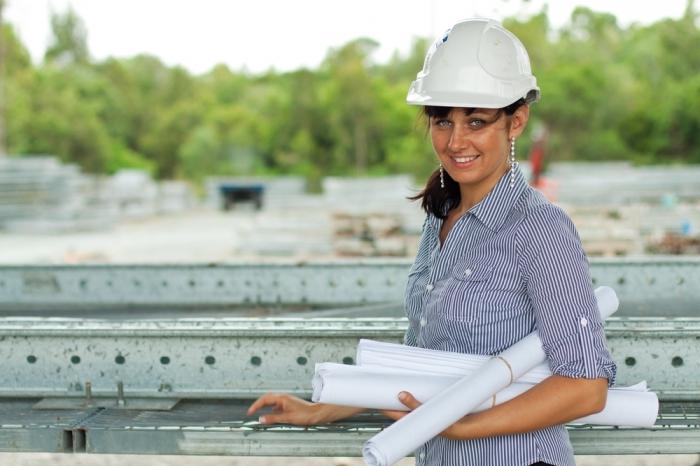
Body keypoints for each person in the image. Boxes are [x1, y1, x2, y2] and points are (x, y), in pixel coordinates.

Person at [248, 18, 616, 466]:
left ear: (515, 121)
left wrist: (462, 425)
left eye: (476, 122)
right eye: (443, 121)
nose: (455, 141)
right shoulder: (441, 219)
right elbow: (423, 360)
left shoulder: (539, 229)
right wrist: (323, 409)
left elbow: (586, 386)